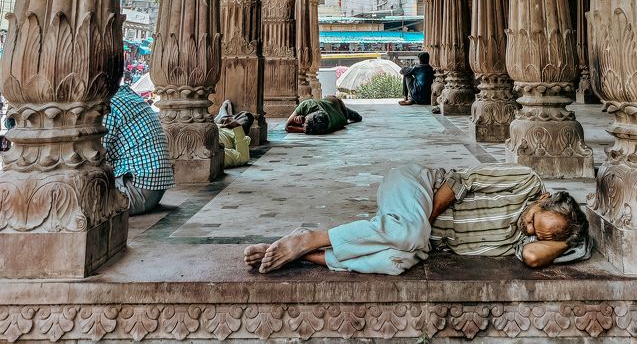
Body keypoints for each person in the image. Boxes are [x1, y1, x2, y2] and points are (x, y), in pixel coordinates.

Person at [244, 163, 591, 274]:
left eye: (536, 233)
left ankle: (304, 255)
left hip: (416, 235)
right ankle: (309, 236)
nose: (526, 229)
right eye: (532, 220)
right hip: (419, 188)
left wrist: (561, 239)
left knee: (397, 261)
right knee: (408, 234)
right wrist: (422, 223)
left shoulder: (529, 242)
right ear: (544, 199)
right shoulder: (526, 182)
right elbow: (461, 181)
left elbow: (532, 258)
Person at [103, 83, 174, 215]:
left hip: (135, 192)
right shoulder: (128, 96)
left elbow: (93, 154)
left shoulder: (109, 105)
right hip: (153, 191)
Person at [285, 95, 363, 135]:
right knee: (357, 117)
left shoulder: (307, 105)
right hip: (335, 105)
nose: (303, 124)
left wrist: (303, 129)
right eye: (306, 122)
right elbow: (287, 127)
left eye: (305, 123)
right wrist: (303, 125)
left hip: (341, 109)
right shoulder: (306, 105)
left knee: (358, 117)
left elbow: (289, 127)